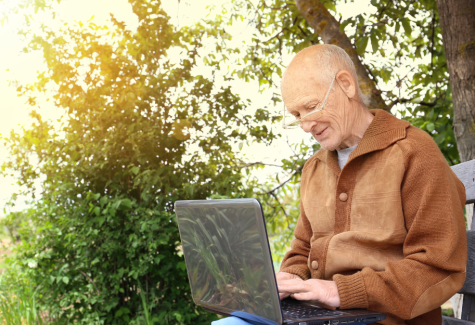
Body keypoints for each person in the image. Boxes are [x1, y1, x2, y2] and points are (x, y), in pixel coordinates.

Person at [214, 44, 467, 325]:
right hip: (320, 316)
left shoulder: (413, 153)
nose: (306, 126)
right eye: (297, 115)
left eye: (311, 107)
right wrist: (290, 280)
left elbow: (438, 267)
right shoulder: (314, 168)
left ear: (346, 85)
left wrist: (340, 291)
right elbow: (301, 248)